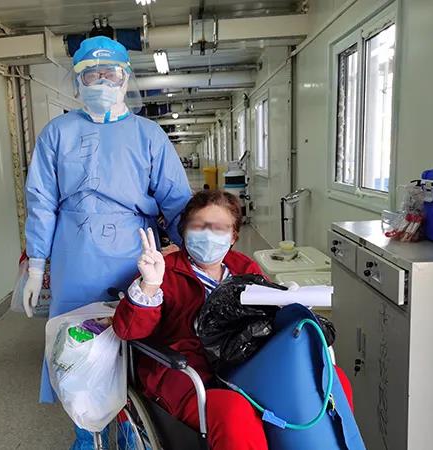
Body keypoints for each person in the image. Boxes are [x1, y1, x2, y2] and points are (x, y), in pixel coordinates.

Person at [22, 35, 191, 449]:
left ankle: (134, 432)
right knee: (76, 347)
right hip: (74, 254)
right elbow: (41, 201)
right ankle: (86, 432)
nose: (101, 82)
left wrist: (193, 257)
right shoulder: (57, 133)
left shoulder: (148, 135)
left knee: (136, 339)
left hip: (135, 254)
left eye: (110, 74)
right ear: (76, 81)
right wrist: (37, 265)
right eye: (91, 74)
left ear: (125, 78)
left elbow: (176, 200)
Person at [113, 190, 353, 450]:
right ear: (183, 230)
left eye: (219, 228)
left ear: (233, 236)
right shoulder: (165, 270)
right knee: (234, 412)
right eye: (199, 226)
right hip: (189, 374)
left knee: (331, 380)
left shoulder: (244, 267)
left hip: (246, 365)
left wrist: (288, 304)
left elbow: (266, 322)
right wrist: (149, 285)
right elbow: (129, 331)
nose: (208, 235)